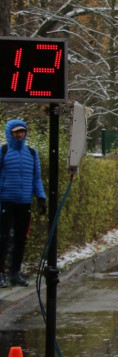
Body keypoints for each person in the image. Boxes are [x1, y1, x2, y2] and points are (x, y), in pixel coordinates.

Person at [0, 120, 46, 287]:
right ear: (9, 133)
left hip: (24, 203)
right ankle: (1, 274)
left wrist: (41, 197)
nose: (20, 135)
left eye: (22, 132)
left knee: (21, 239)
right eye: (16, 132)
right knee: (3, 238)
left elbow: (36, 179)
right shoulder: (3, 151)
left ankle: (15, 273)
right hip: (6, 201)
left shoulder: (32, 154)